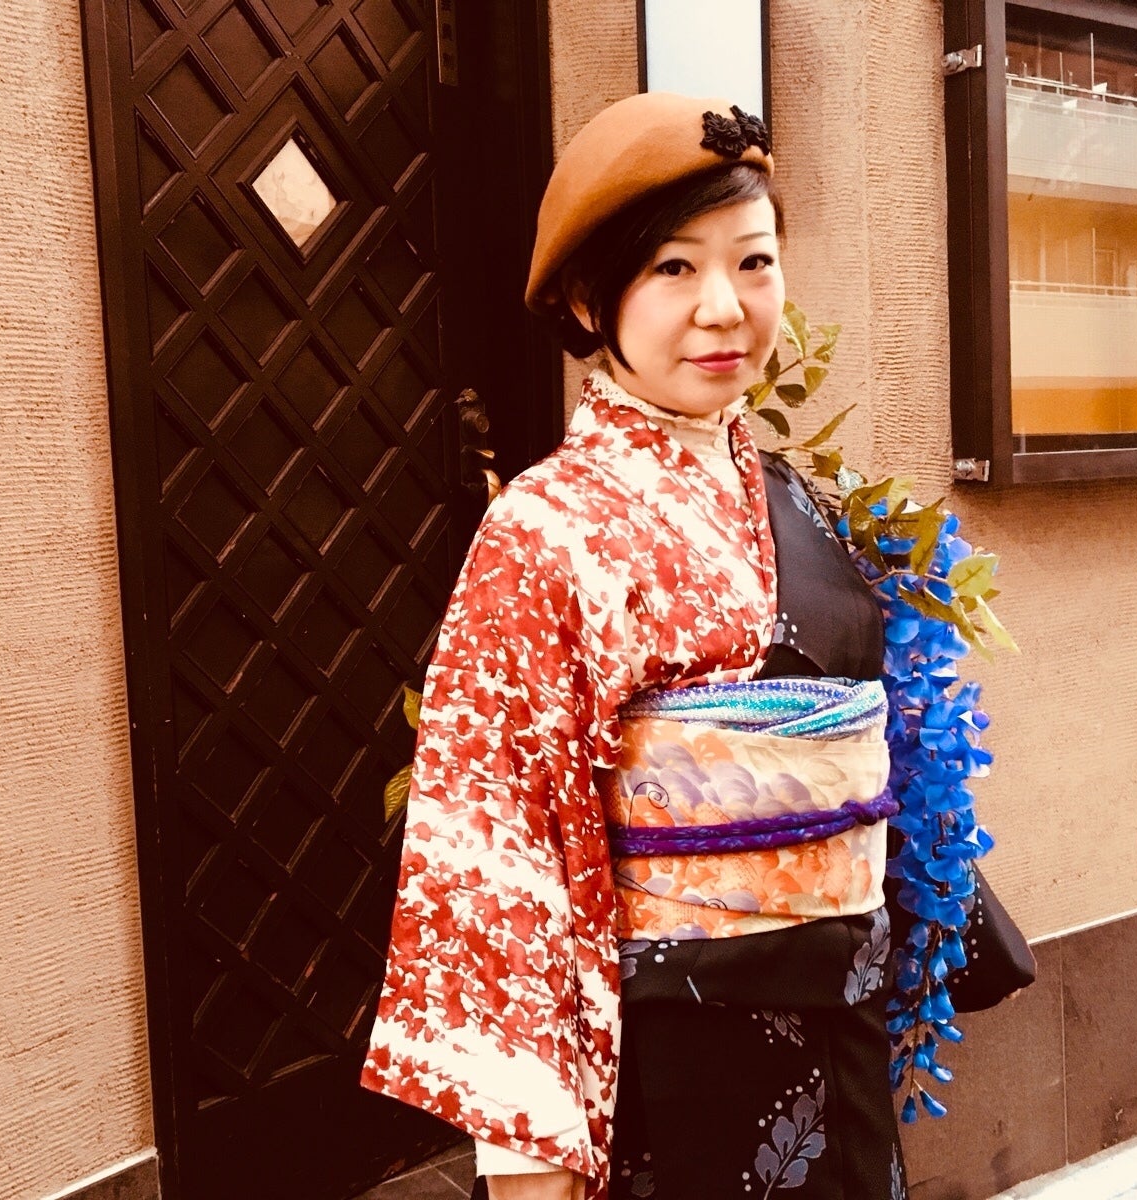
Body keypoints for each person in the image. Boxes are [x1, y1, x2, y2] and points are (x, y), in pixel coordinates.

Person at [361, 92, 906, 1200]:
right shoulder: (543, 528)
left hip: (839, 1022)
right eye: (673, 268)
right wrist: (528, 1150)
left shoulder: (788, 495)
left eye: (753, 262)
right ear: (585, 297)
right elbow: (492, 829)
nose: (724, 307)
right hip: (667, 1051)